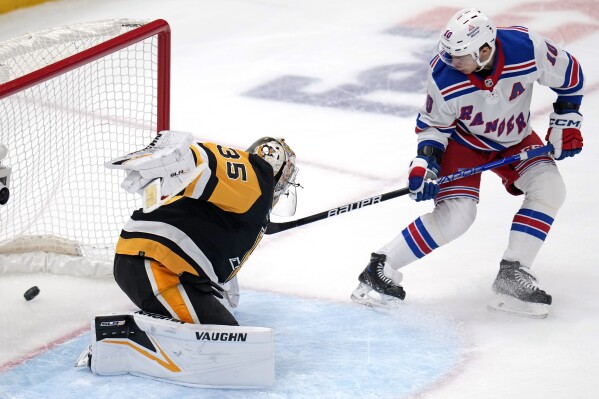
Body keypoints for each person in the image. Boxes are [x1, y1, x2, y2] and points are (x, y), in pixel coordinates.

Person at [351, 8, 583, 319]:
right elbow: (434, 125)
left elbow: (570, 75)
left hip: (514, 138)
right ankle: (381, 265)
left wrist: (566, 121)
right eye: (448, 54)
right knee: (457, 217)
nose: (452, 62)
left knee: (550, 188)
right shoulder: (444, 75)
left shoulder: (527, 48)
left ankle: (512, 275)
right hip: (464, 145)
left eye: (460, 56)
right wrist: (426, 164)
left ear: (485, 50)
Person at [76, 131, 298, 387]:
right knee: (232, 350)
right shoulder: (257, 179)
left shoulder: (239, 206)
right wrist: (186, 157)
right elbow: (222, 164)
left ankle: (148, 328)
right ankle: (122, 341)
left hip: (151, 263)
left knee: (225, 330)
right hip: (153, 266)